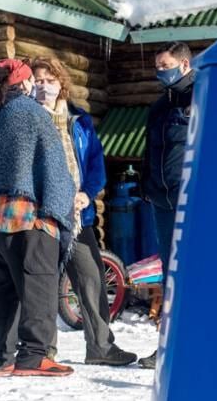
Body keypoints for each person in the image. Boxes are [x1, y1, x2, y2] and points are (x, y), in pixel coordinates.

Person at [30, 57, 137, 366]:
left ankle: (101, 347)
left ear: (62, 83)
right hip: (42, 214)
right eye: (38, 80)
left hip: (77, 217)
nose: (44, 86)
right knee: (44, 282)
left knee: (91, 280)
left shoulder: (79, 120)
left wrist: (87, 194)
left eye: (50, 80)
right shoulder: (26, 118)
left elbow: (95, 165)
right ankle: (43, 351)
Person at [0, 58, 76, 377]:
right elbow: (54, 168)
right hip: (26, 215)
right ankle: (34, 355)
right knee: (39, 284)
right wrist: (59, 210)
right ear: (26, 82)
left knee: (4, 289)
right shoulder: (33, 113)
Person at [138, 41, 194, 369]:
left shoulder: (202, 98)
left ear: (184, 65)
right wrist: (147, 186)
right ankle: (168, 348)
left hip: (192, 201)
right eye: (157, 67)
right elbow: (149, 152)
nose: (160, 72)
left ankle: (199, 345)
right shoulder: (158, 107)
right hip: (161, 201)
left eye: (165, 65)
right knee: (170, 276)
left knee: (194, 272)